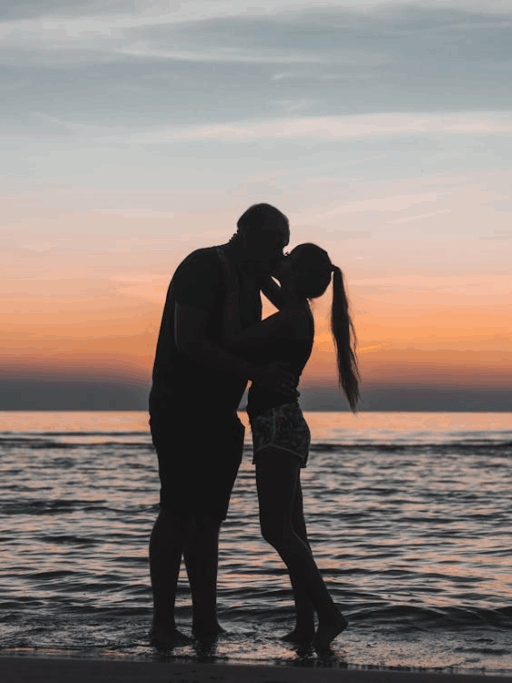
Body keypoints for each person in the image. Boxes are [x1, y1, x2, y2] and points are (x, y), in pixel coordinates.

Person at [147, 203, 297, 648]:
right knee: (177, 509)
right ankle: (162, 624)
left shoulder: (248, 280)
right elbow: (188, 340)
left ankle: (205, 622)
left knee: (209, 519)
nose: (280, 254)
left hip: (221, 413)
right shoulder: (203, 266)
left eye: (285, 248)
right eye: (275, 245)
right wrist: (260, 374)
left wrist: (277, 276)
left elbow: (289, 311)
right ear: (245, 235)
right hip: (180, 406)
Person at [218, 242, 360, 649]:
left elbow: (233, 340)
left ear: (295, 273)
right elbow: (270, 282)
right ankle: (305, 624)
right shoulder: (295, 311)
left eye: (286, 257)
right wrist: (254, 262)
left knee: (275, 529)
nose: (278, 261)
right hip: (281, 425)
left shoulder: (290, 320)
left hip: (278, 426)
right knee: (295, 531)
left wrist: (230, 291)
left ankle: (329, 615)